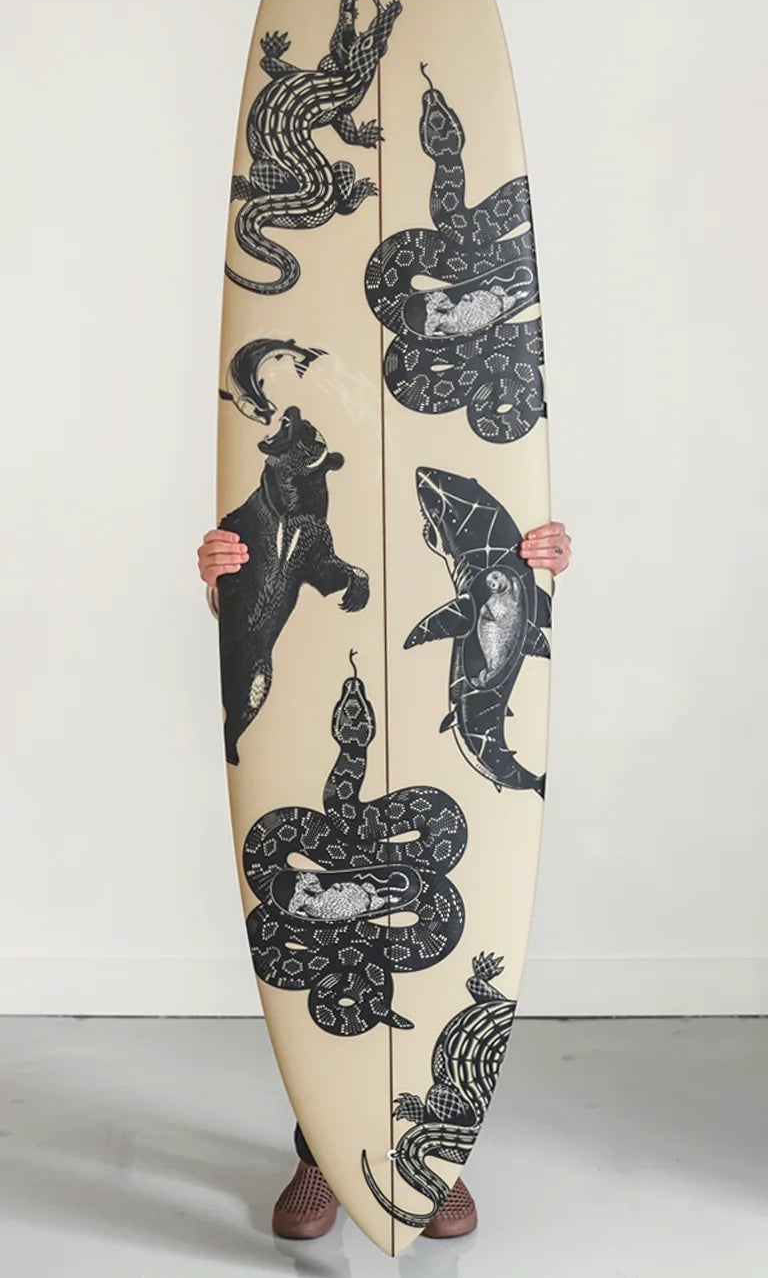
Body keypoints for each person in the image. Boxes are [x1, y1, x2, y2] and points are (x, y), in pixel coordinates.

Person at [196, 518, 573, 1239]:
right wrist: (230, 583)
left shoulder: (468, 508)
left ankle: (432, 1158)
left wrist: (538, 567)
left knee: (430, 974)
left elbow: (495, 604)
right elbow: (276, 598)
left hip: (432, 703)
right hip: (320, 683)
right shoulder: (301, 476)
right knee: (335, 942)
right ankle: (323, 1151)